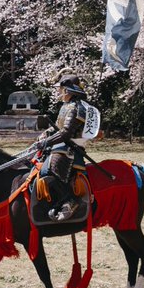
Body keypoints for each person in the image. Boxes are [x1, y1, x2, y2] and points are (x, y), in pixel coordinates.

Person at [37, 72, 95, 222]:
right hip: (62, 144)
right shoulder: (66, 106)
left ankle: (71, 201)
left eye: (60, 89)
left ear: (67, 90)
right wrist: (44, 135)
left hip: (71, 148)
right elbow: (57, 128)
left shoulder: (78, 107)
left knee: (51, 166)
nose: (58, 92)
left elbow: (65, 133)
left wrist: (47, 142)